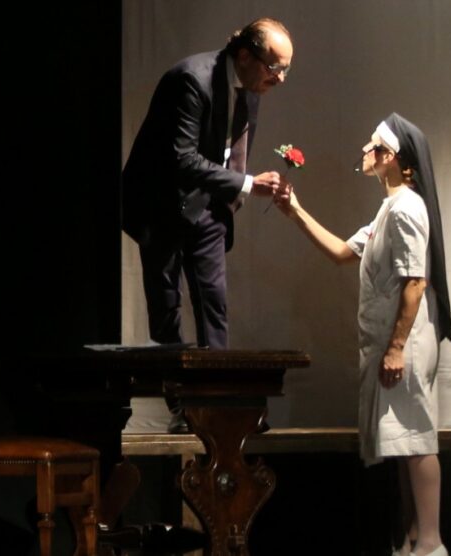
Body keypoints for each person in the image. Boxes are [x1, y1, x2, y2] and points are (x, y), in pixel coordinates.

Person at [276, 114, 451, 556]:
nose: (364, 150)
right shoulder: (388, 209)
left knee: (415, 439)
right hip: (391, 343)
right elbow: (341, 251)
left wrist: (396, 348)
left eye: (372, 145)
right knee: (402, 443)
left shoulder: (406, 208)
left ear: (390, 157)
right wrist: (294, 209)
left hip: (405, 344)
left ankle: (431, 542)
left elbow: (416, 282)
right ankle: (412, 539)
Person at [122, 18, 292, 433]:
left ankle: (220, 403)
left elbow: (231, 149)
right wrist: (247, 184)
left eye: (286, 69)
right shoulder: (192, 80)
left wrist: (232, 197)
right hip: (161, 205)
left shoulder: (252, 88)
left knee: (214, 303)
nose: (280, 79)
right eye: (275, 68)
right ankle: (182, 409)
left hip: (208, 206)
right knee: (166, 309)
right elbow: (182, 159)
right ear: (246, 56)